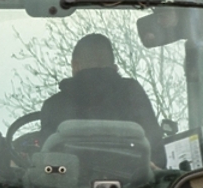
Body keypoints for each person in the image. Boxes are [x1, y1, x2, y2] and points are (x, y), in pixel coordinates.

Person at [40, 33, 166, 165]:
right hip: (132, 177)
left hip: (70, 177)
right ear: (114, 67)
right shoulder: (133, 93)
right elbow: (157, 153)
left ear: (75, 66)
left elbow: (46, 161)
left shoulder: (53, 105)